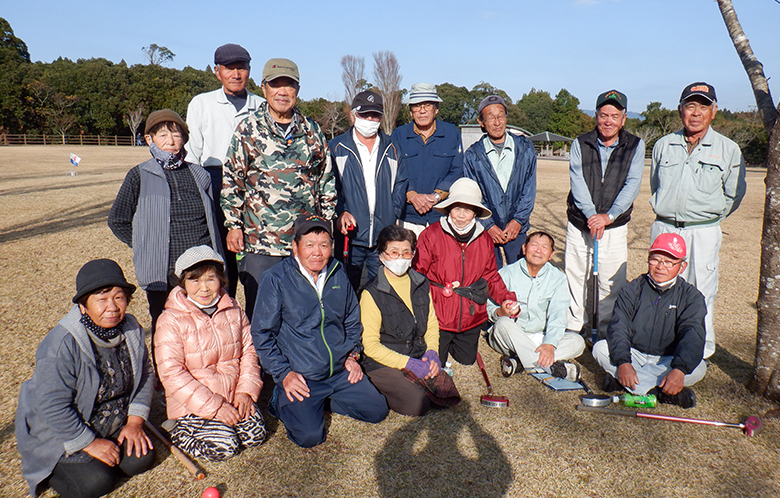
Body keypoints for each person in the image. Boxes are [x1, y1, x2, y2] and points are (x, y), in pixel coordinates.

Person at [16, 259, 155, 498]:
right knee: (96, 483)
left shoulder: (130, 327)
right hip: (62, 429)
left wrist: (134, 423)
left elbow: (145, 374)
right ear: (83, 305)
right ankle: (58, 467)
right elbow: (52, 405)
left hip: (114, 421)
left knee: (141, 459)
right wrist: (89, 443)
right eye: (101, 299)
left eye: (119, 297)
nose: (112, 307)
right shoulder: (61, 345)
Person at [251, 214, 388, 448]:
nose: (317, 252)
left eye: (324, 245)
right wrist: (284, 374)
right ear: (295, 247)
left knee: (377, 410)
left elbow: (352, 320)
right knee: (310, 437)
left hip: (338, 370)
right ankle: (280, 400)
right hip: (303, 375)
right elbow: (262, 334)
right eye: (310, 245)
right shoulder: (275, 279)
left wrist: (353, 356)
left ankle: (320, 401)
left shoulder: (338, 272)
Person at [222, 58, 336, 320]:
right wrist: (233, 224)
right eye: (276, 86)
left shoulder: (311, 131)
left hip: (305, 243)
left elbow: (326, 179)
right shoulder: (248, 130)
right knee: (263, 312)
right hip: (261, 242)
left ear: (297, 90)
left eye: (289, 86)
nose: (283, 92)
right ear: (264, 89)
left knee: (303, 310)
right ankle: (261, 362)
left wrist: (326, 226)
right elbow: (232, 180)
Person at [108, 109, 223, 352]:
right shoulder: (139, 175)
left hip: (200, 268)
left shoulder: (199, 174)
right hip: (163, 269)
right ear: (149, 139)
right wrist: (144, 244)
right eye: (162, 135)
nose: (170, 141)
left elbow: (211, 219)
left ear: (185, 138)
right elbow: (117, 220)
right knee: (165, 326)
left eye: (176, 134)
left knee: (205, 325)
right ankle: (165, 377)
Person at [649, 82, 747, 359]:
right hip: (665, 226)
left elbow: (734, 194)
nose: (696, 113)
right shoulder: (663, 145)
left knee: (701, 290)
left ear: (714, 111)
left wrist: (708, 217)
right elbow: (656, 184)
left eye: (703, 106)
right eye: (690, 106)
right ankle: (661, 344)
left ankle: (698, 352)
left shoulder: (728, 149)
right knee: (660, 286)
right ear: (680, 110)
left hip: (702, 231)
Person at [154, 246, 265, 461]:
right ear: (183, 283)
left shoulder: (234, 308)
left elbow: (249, 352)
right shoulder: (170, 320)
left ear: (221, 281)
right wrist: (215, 407)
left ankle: (225, 421)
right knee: (225, 447)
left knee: (255, 435)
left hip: (233, 393)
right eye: (195, 280)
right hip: (194, 403)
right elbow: (172, 374)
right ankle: (177, 430)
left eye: (210, 279)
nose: (203, 288)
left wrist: (246, 392)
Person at [185, 43, 264, 298]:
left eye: (241, 68)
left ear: (249, 71)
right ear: (217, 71)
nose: (236, 74)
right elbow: (192, 153)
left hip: (255, 187)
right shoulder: (202, 103)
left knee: (255, 264)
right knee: (221, 262)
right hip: (214, 181)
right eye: (229, 68)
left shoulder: (262, 106)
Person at [592, 233, 707, 408]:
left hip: (667, 359)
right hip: (634, 354)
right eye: (655, 260)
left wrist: (679, 369)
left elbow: (693, 334)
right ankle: (659, 393)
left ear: (682, 266)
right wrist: (623, 362)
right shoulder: (631, 289)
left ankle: (624, 383)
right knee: (600, 348)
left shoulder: (692, 297)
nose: (660, 267)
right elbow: (618, 328)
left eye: (669, 262)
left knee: (699, 368)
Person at [565, 90, 645, 340]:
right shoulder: (581, 142)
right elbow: (577, 180)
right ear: (596, 116)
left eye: (614, 115)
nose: (608, 121)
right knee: (575, 276)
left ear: (623, 119)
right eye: (603, 115)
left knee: (611, 281)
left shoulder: (635, 145)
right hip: (580, 223)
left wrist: (608, 216)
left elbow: (632, 184)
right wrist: (591, 214)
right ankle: (574, 326)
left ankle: (606, 329)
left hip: (614, 225)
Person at [414, 177, 517, 366]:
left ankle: (461, 340)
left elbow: (491, 276)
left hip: (471, 313)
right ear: (448, 209)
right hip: (439, 314)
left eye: (468, 210)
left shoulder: (485, 239)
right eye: (457, 208)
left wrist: (506, 298)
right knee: (436, 361)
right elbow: (417, 273)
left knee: (467, 360)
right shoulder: (431, 234)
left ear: (476, 213)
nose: (461, 215)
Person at [360, 225, 460, 416]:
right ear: (381, 256)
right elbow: (370, 346)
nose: (400, 258)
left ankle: (411, 380)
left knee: (446, 395)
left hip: (417, 353)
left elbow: (431, 323)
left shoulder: (421, 283)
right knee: (418, 404)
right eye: (393, 253)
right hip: (382, 362)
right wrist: (409, 364)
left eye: (406, 253)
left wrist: (432, 352)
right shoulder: (370, 293)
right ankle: (373, 387)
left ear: (413, 255)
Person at [329, 90, 407, 290]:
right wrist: (340, 213)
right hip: (350, 238)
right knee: (347, 292)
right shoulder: (335, 147)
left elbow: (400, 184)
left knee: (380, 292)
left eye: (375, 115)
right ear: (353, 115)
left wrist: (392, 214)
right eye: (365, 115)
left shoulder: (393, 147)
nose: (370, 120)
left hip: (382, 238)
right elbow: (329, 187)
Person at [486, 232, 585, 378]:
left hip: (540, 337)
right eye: (534, 245)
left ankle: (521, 361)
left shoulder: (558, 278)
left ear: (551, 254)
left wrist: (549, 344)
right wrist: (501, 312)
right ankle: (549, 366)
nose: (538, 250)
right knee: (502, 324)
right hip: (512, 336)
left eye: (544, 247)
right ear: (524, 248)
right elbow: (488, 309)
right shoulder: (506, 273)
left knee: (578, 341)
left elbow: (558, 314)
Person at [463, 95, 537, 268]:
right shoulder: (473, 155)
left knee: (519, 276)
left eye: (500, 115)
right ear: (481, 122)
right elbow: (473, 195)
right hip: (486, 229)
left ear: (506, 117)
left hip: (517, 228)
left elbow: (529, 188)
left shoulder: (524, 147)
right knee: (489, 278)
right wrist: (488, 225)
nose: (496, 122)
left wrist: (518, 220)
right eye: (490, 117)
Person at [391, 82, 463, 236]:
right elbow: (393, 172)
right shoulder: (398, 135)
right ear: (411, 111)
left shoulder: (452, 133)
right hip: (408, 218)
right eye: (417, 106)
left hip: (442, 215)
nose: (422, 111)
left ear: (436, 109)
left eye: (427, 105)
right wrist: (412, 196)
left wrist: (436, 196)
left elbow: (457, 170)